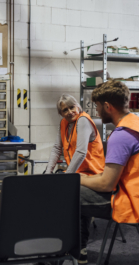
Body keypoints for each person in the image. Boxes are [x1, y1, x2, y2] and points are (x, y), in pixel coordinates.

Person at [80, 80, 139, 264]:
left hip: (130, 200)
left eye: (97, 106)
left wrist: (78, 179)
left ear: (107, 106)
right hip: (132, 190)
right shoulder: (135, 123)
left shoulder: (121, 135)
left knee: (68, 192)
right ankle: (77, 248)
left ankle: (65, 251)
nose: (96, 111)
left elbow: (107, 184)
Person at [45, 94, 105, 176]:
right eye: (65, 110)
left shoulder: (83, 120)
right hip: (76, 173)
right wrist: (48, 173)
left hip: (92, 173)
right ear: (61, 113)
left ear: (77, 106)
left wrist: (68, 177)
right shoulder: (63, 123)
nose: (70, 112)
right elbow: (57, 149)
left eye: (72, 107)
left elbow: (81, 152)